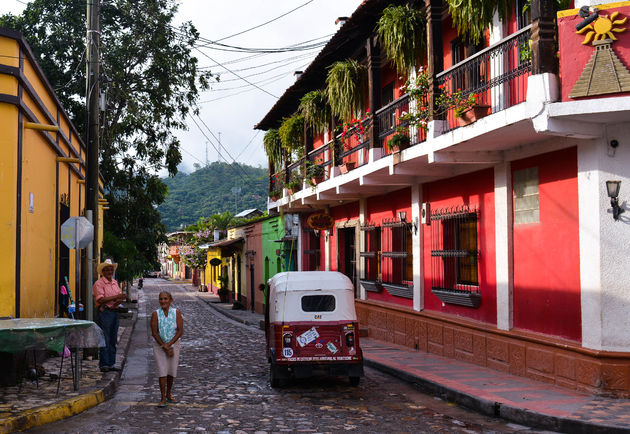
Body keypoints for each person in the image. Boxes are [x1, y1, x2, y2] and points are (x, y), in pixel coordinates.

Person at [150, 291, 183, 408]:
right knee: (162, 370)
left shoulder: (176, 313)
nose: (163, 301)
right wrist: (164, 346)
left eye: (165, 299)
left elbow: (180, 331)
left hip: (174, 345)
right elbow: (154, 332)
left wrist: (170, 345)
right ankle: (162, 397)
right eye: (161, 299)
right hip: (159, 346)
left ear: (171, 300)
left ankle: (169, 394)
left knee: (171, 370)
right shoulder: (155, 314)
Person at [92, 259, 126, 373]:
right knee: (105, 338)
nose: (109, 271)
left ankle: (111, 363)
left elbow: (114, 300)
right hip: (105, 313)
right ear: (102, 271)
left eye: (111, 269)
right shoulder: (99, 283)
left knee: (113, 339)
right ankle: (104, 364)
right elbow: (100, 299)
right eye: (107, 269)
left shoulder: (115, 282)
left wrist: (120, 299)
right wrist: (116, 297)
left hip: (114, 311)